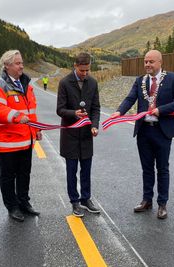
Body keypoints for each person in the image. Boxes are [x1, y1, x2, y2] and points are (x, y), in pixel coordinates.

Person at [110, 50, 174, 219]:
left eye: (151, 61)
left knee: (162, 168)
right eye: (145, 61)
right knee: (146, 168)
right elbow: (130, 99)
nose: (147, 65)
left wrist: (161, 110)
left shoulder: (172, 79)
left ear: (160, 62)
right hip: (144, 131)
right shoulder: (140, 81)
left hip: (162, 131)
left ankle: (162, 204)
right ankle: (146, 200)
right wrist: (119, 112)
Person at [0, 50, 42, 222]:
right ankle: (12, 206)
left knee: (25, 174)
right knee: (8, 176)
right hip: (8, 142)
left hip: (26, 141)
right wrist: (17, 117)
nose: (21, 66)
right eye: (17, 63)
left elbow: (31, 111)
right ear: (7, 65)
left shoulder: (26, 84)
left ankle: (24, 202)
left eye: (22, 63)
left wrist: (36, 129)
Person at [56, 52, 101, 217]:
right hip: (70, 135)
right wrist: (74, 113)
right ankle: (74, 201)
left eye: (87, 70)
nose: (85, 73)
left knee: (86, 170)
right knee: (71, 170)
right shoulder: (64, 83)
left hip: (87, 135)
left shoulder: (93, 83)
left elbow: (96, 108)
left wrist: (94, 126)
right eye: (82, 70)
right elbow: (60, 110)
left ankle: (86, 199)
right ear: (75, 66)